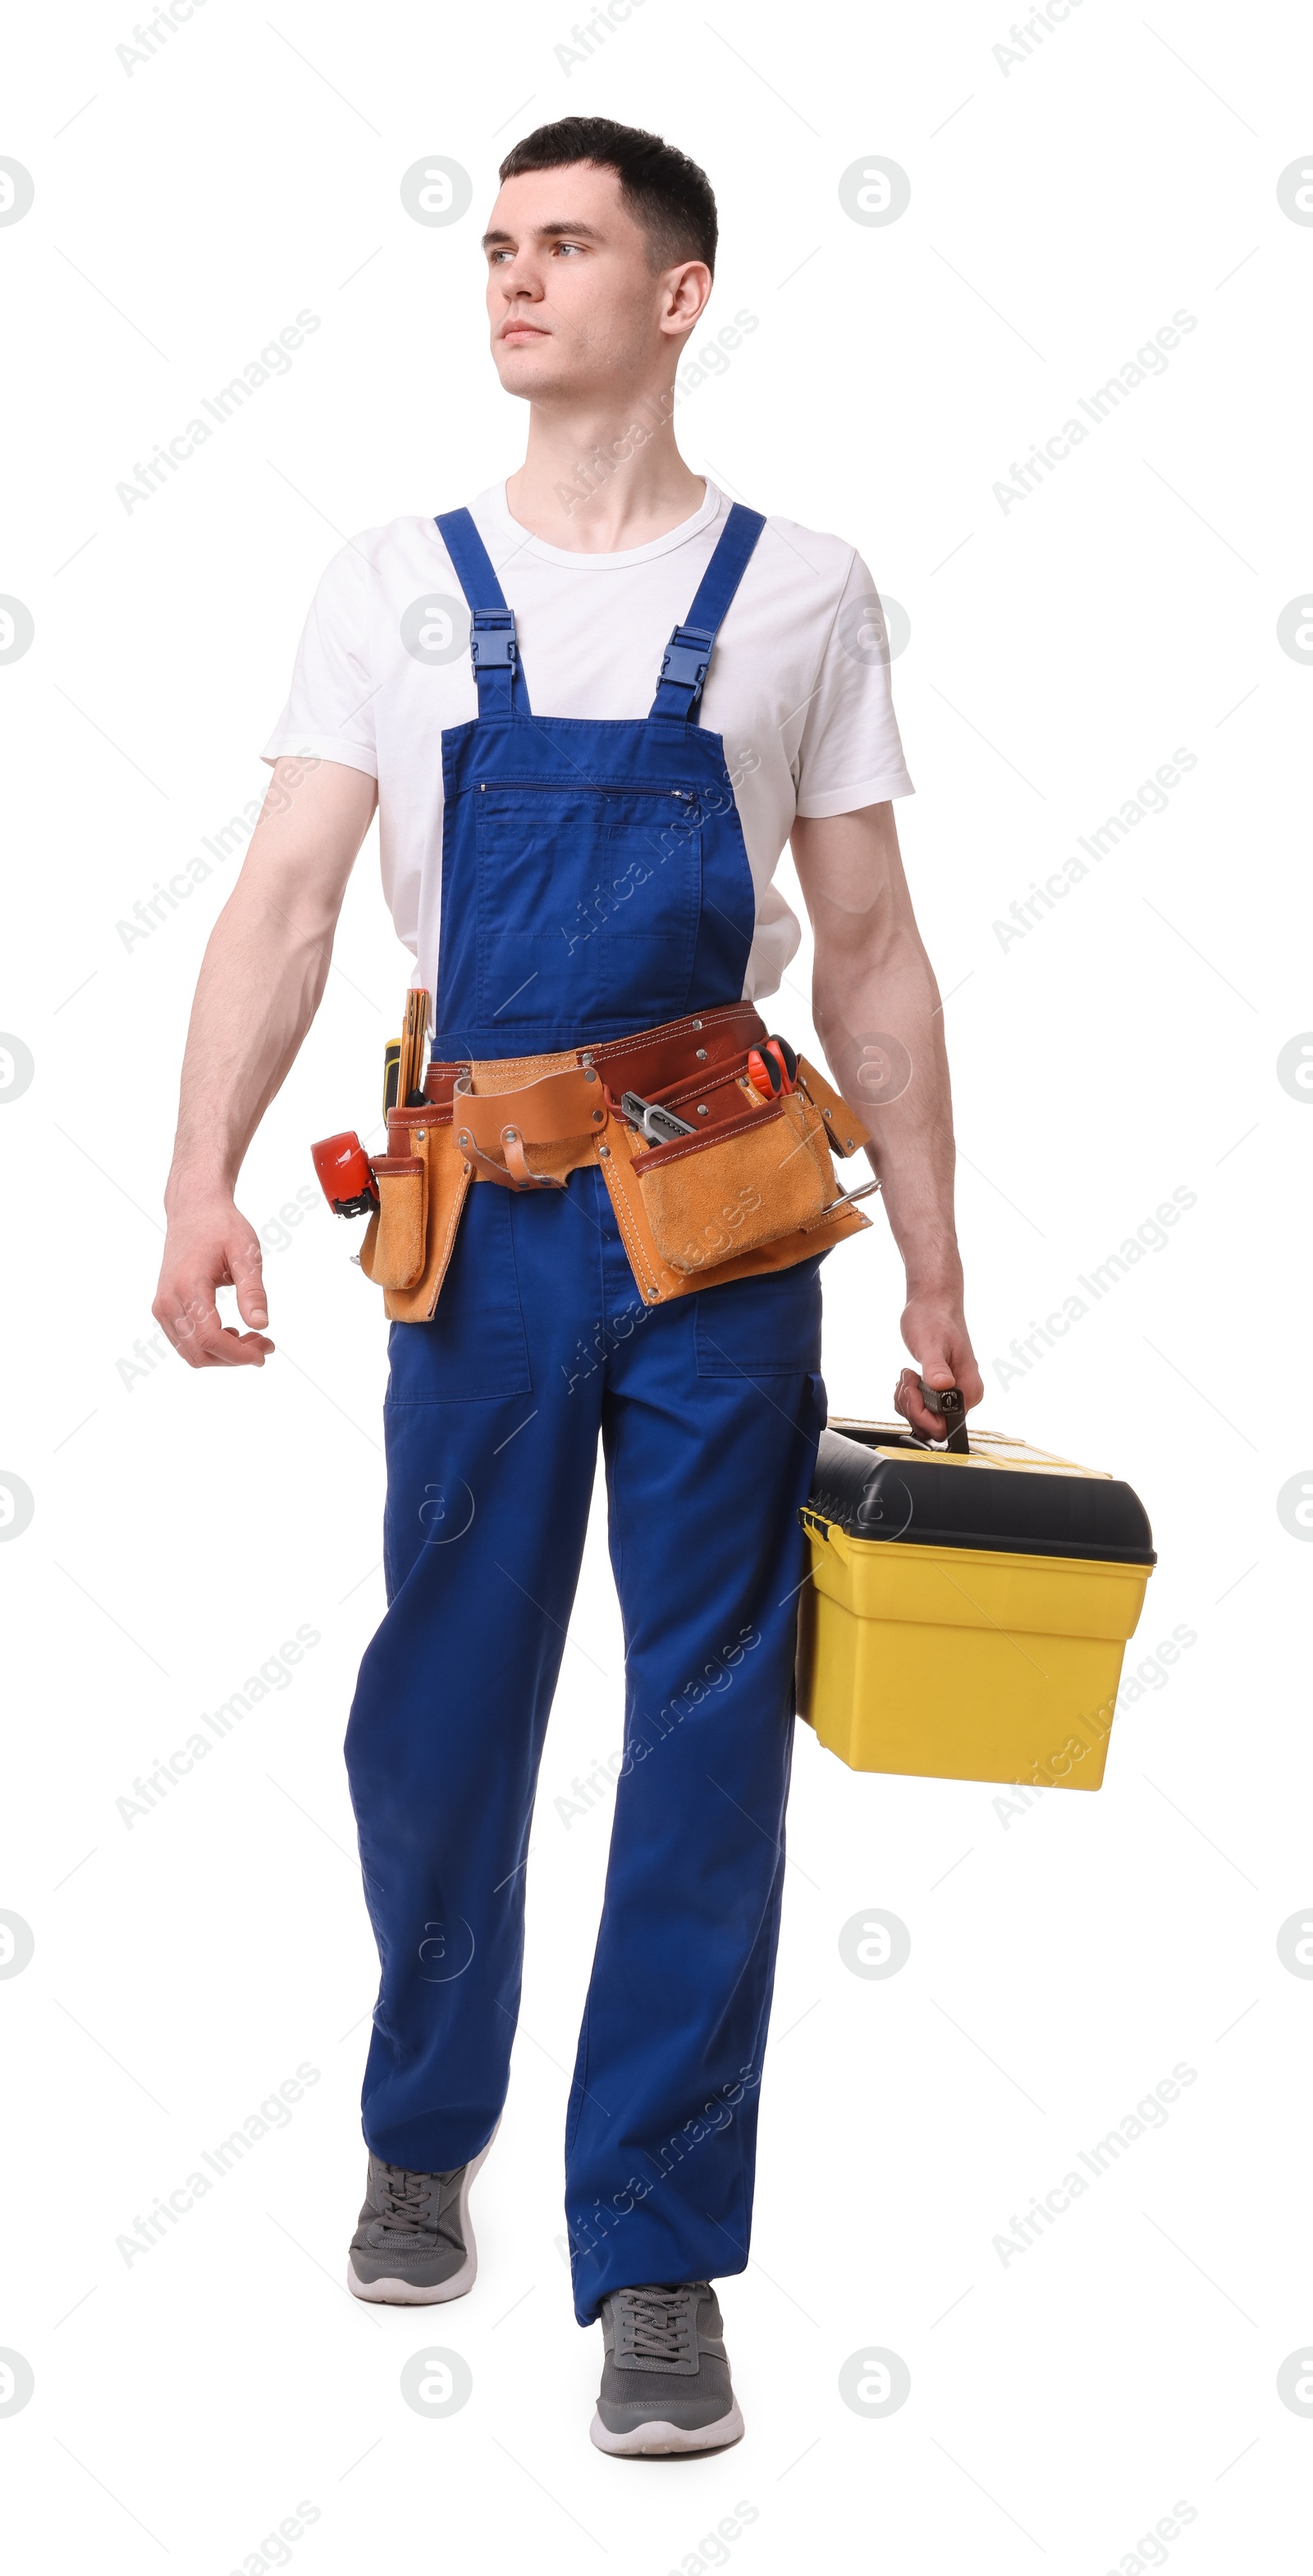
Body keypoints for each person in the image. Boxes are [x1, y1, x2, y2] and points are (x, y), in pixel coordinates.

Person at [153, 114, 983, 2457]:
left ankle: (662, 2254)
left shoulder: (805, 590)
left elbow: (887, 948)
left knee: (709, 1738)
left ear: (680, 290)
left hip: (726, 1231)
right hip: (483, 1230)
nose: (511, 280)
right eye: (497, 247)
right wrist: (196, 1179)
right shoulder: (393, 587)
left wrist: (934, 1252)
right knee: (444, 1706)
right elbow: (289, 902)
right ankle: (426, 2109)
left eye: (564, 247)